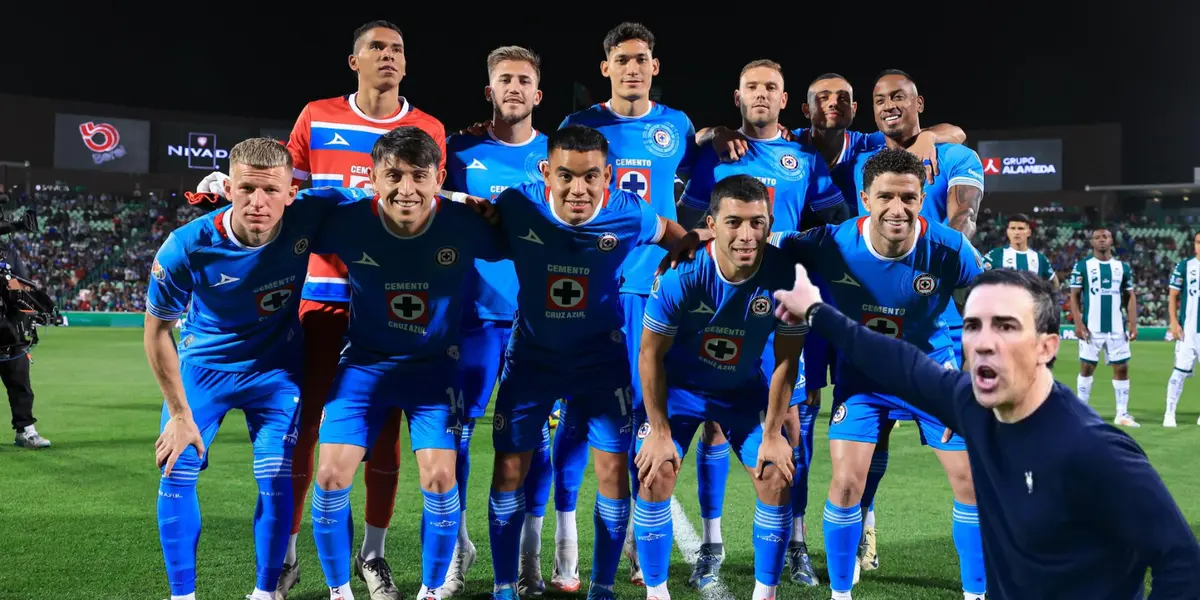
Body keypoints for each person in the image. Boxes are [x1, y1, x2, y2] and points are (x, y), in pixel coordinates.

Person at [774, 266, 1200, 600]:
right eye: (973, 326)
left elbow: (1182, 564)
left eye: (1006, 326)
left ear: (1047, 347)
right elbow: (899, 363)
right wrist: (815, 309)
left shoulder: (1093, 449)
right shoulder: (974, 408)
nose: (983, 341)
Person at [770, 148, 987, 600]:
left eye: (909, 197)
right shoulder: (831, 242)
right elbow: (762, 240)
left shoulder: (949, 248)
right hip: (864, 379)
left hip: (932, 374)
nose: (898, 208)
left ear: (922, 197)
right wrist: (691, 240)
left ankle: (976, 594)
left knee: (970, 480)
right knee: (847, 482)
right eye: (885, 196)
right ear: (865, 197)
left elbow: (991, 304)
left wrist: (972, 379)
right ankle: (841, 594)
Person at [485, 125, 689, 600]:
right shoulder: (518, 205)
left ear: (608, 175)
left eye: (590, 177)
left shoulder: (628, 212)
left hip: (600, 359)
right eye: (566, 176)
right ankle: (502, 586)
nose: (578, 189)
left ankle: (600, 586)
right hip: (532, 358)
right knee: (510, 469)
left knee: (614, 473)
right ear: (545, 172)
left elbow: (674, 234)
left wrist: (681, 258)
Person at [282, 20, 447, 599]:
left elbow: (434, 208)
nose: (388, 56)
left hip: (398, 302)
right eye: (376, 47)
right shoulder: (316, 116)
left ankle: (373, 557)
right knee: (304, 431)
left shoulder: (427, 127)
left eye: (397, 48)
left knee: (386, 437)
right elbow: (290, 198)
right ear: (354, 61)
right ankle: (288, 550)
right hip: (323, 297)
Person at [307, 127, 503, 600]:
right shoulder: (347, 219)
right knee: (331, 474)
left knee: (440, 477)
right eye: (392, 175)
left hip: (433, 370)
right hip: (364, 366)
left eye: (419, 176)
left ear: (439, 177)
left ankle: (431, 591)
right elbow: (278, 217)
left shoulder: (466, 222)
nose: (406, 189)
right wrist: (221, 196)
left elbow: (539, 240)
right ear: (373, 177)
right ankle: (339, 591)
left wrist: (504, 211)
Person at [145, 138, 344, 600]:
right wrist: (178, 414)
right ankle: (182, 596)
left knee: (277, 477)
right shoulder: (187, 246)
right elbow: (156, 333)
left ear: (292, 192)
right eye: (247, 189)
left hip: (275, 374)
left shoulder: (310, 215)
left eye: (271, 190)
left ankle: (263, 593)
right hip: (203, 369)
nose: (259, 202)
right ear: (228, 186)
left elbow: (383, 198)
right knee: (176, 470)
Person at [674, 58, 844, 588]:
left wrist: (794, 251)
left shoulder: (803, 157)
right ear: (738, 95)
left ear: (784, 97)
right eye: (753, 87)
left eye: (771, 86)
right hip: (723, 308)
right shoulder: (714, 154)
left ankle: (795, 543)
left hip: (784, 312)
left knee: (794, 427)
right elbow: (685, 220)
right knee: (718, 422)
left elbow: (838, 222)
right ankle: (713, 541)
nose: (762, 94)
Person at [557, 21, 698, 588]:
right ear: (606, 69)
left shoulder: (677, 126)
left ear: (654, 67)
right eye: (622, 59)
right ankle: (565, 549)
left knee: (648, 415)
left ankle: (643, 543)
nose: (633, 68)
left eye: (642, 59)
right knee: (575, 414)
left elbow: (696, 182)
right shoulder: (579, 125)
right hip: (590, 287)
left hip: (653, 290)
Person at [634, 174, 803, 600]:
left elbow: (787, 358)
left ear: (769, 223)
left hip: (741, 391)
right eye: (734, 222)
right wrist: (657, 432)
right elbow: (650, 355)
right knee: (656, 472)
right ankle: (656, 592)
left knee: (776, 475)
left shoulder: (786, 275)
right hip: (679, 393)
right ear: (712, 223)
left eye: (757, 222)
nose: (747, 235)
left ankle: (765, 594)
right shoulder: (682, 273)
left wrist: (772, 434)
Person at [845, 70, 985, 568]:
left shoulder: (956, 157)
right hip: (873, 323)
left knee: (963, 454)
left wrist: (923, 259)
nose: (888, 106)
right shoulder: (865, 157)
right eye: (880, 99)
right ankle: (865, 529)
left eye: (899, 98)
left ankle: (983, 572)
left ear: (918, 101)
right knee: (867, 445)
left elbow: (962, 217)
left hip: (936, 325)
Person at [439, 45, 553, 596]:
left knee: (537, 442)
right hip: (470, 320)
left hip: (538, 321)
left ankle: (530, 556)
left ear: (538, 94)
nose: (514, 87)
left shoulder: (557, 156)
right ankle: (458, 546)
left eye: (523, 79)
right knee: (455, 436)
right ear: (489, 91)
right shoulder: (456, 149)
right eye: (503, 79)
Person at [1070, 227, 1139, 427]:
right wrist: (1078, 322)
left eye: (1106, 237)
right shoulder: (1083, 266)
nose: (1102, 240)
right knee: (1087, 367)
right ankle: (1081, 412)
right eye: (1097, 237)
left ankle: (1122, 414)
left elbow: (1130, 296)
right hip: (1092, 327)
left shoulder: (1122, 267)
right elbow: (1074, 296)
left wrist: (1132, 323)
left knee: (1122, 368)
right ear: (1092, 242)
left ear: (1111, 241)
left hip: (1117, 327)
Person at [0, 241, 49, 449]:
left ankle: (26, 431)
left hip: (11, 330)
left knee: (21, 384)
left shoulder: (7, 251)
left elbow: (24, 285)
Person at [1165, 231, 1200, 427]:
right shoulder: (1185, 266)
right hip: (1188, 330)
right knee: (1179, 372)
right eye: (1198, 242)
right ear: (1194, 244)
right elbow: (1173, 295)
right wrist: (1173, 321)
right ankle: (1170, 413)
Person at [982, 213, 1057, 283]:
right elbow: (978, 275)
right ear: (1008, 232)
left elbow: (1054, 283)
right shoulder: (995, 254)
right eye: (1013, 228)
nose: (1016, 232)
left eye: (1021, 228)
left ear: (1029, 233)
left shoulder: (1040, 258)